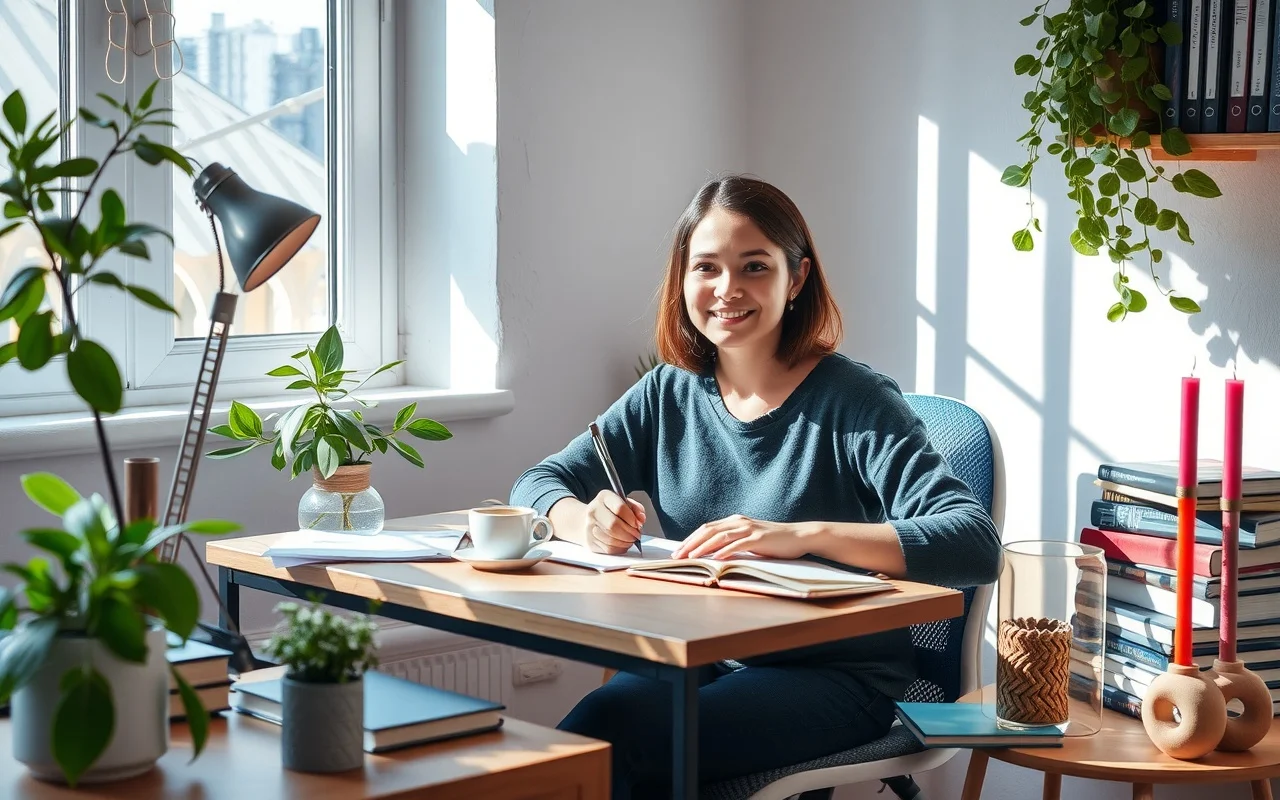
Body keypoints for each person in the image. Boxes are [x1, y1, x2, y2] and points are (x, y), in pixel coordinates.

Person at [509, 175, 1000, 799]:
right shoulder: (670, 391)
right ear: (681, 280)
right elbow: (536, 482)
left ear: (796, 279)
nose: (727, 290)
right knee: (587, 738)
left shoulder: (853, 400)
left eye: (754, 266)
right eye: (706, 267)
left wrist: (798, 537)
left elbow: (972, 541)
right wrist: (584, 519)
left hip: (841, 678)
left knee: (631, 743)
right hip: (708, 656)